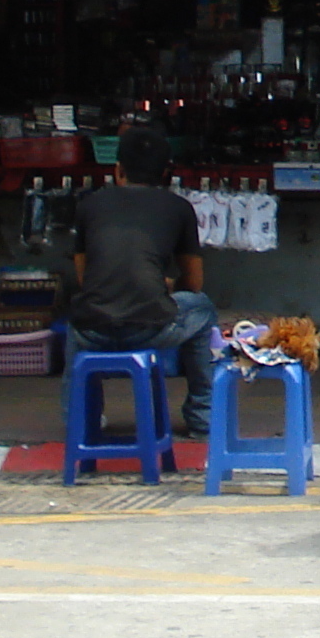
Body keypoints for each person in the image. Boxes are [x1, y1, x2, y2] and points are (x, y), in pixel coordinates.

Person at [67, 123, 215, 439]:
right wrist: (166, 285)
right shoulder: (178, 207)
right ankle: (203, 416)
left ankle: (81, 421)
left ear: (117, 170)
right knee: (202, 309)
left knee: (75, 318)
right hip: (151, 329)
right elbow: (195, 284)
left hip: (93, 331)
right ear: (165, 174)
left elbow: (85, 279)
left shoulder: (89, 205)